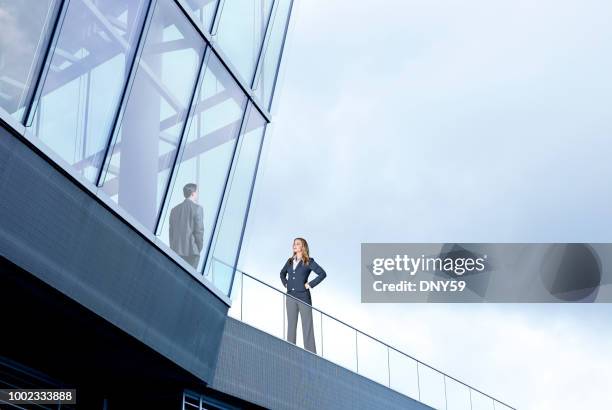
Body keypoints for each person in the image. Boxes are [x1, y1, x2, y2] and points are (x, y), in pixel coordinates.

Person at [280, 237, 327, 353]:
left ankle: (311, 354)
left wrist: (310, 284)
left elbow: (322, 274)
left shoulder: (309, 261)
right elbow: (282, 273)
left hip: (304, 297)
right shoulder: (290, 261)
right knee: (291, 326)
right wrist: (286, 283)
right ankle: (289, 351)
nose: (294, 245)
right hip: (290, 296)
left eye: (297, 244)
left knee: (307, 326)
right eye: (294, 244)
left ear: (302, 247)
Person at [169, 183, 204, 269]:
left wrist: (173, 247)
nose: (197, 194)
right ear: (193, 193)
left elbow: (171, 232)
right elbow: (199, 231)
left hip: (176, 250)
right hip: (191, 251)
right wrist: (198, 248)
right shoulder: (197, 208)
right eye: (196, 192)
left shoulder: (174, 210)